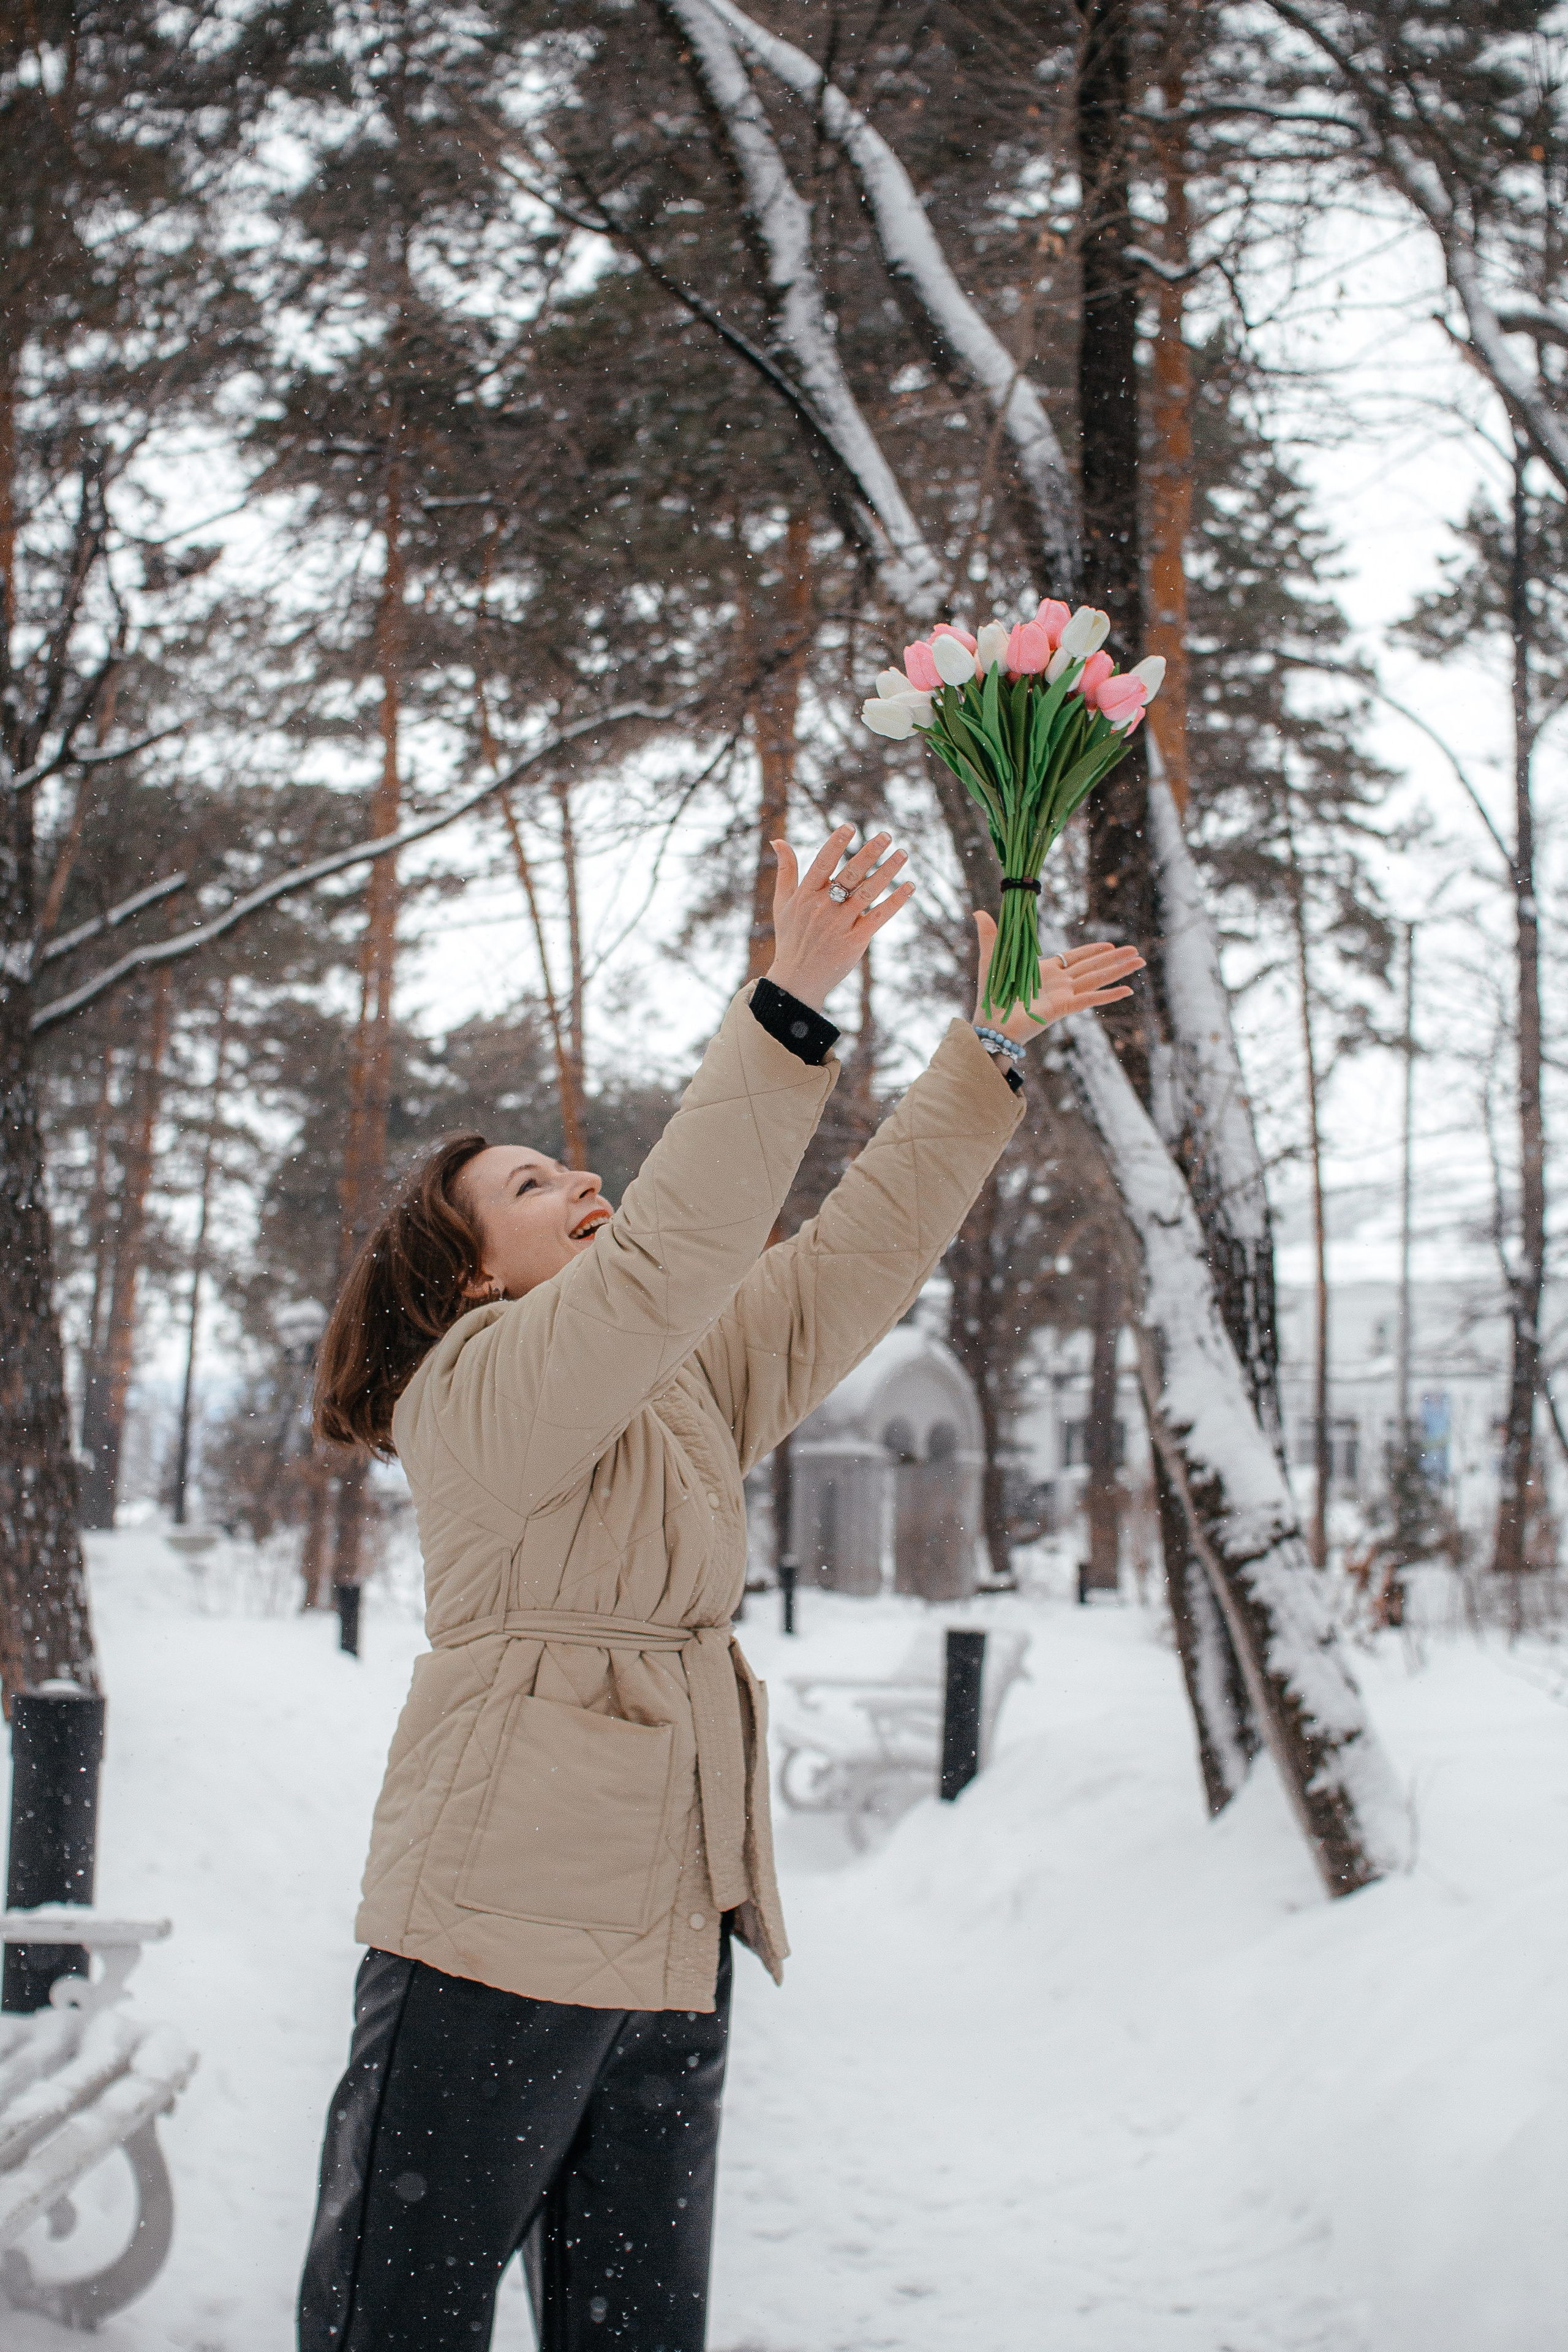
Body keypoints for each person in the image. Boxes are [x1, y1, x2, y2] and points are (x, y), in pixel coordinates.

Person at [297, 824, 1143, 2352]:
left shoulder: (664, 1379)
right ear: (473, 1272)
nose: (583, 1181)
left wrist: (987, 1049)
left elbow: (841, 1269)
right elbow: (668, 1260)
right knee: (396, 2326)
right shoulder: (474, 1390)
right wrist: (791, 997)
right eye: (534, 1182)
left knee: (634, 2330)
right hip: (491, 1933)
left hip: (672, 1932)